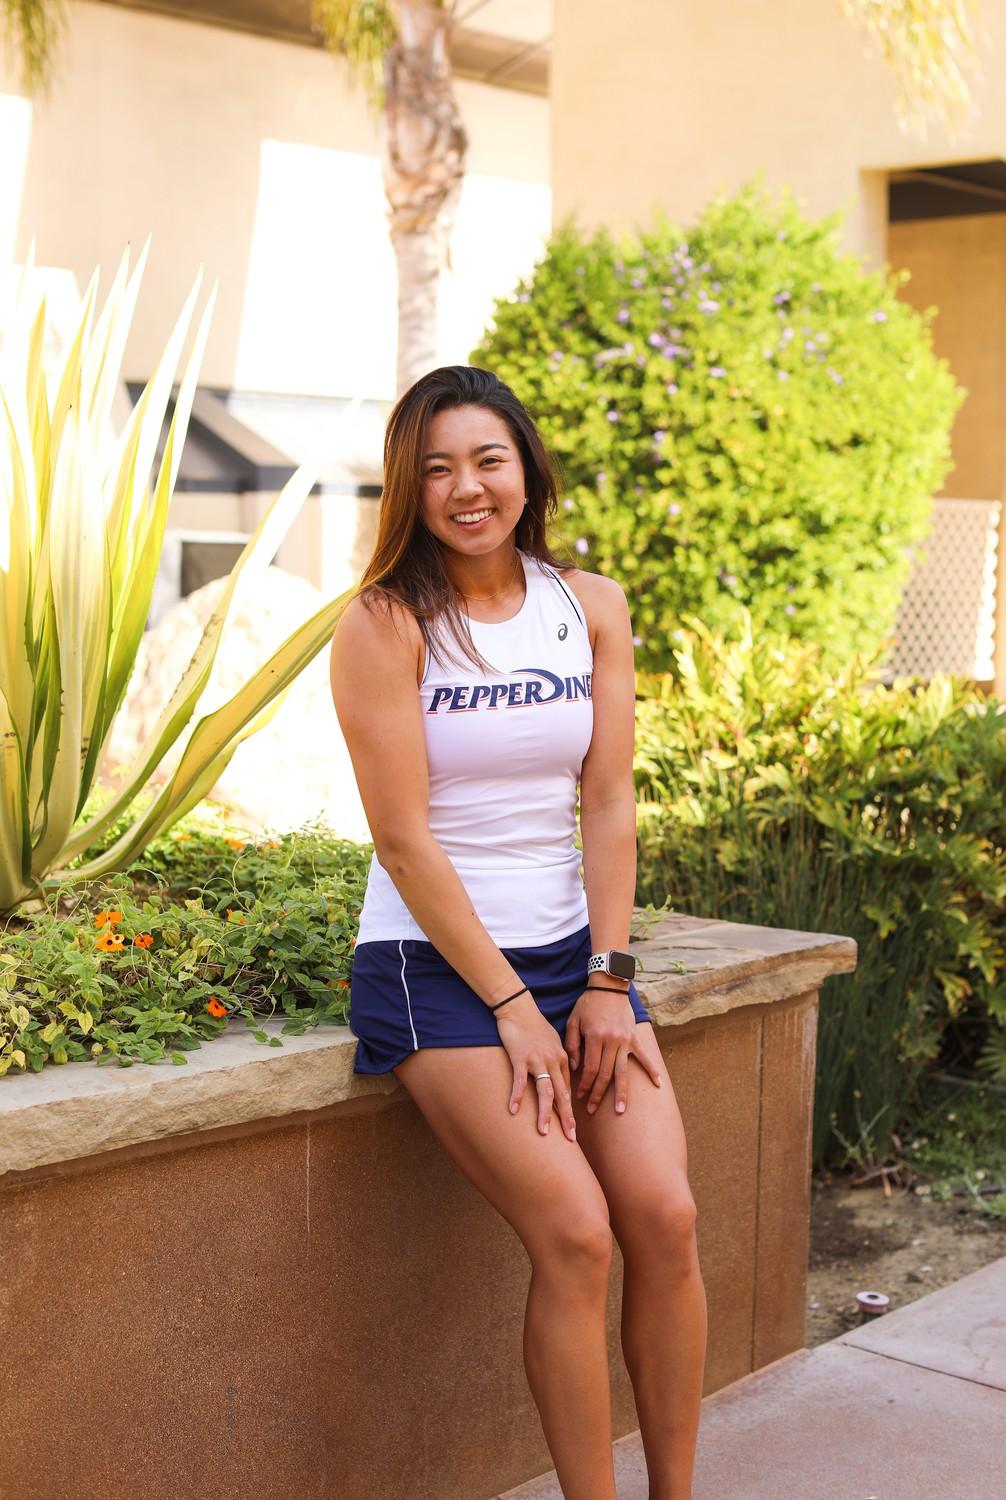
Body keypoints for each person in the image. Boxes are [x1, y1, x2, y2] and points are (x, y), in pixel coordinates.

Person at [328, 365, 707, 1500]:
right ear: (409, 489)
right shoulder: (383, 624)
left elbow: (606, 800)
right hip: (433, 968)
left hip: (572, 962)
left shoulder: (588, 604)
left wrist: (605, 979)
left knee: (667, 1217)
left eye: (486, 459)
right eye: (436, 468)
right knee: (579, 1234)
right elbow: (402, 839)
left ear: (525, 469)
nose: (465, 487)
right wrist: (508, 1007)